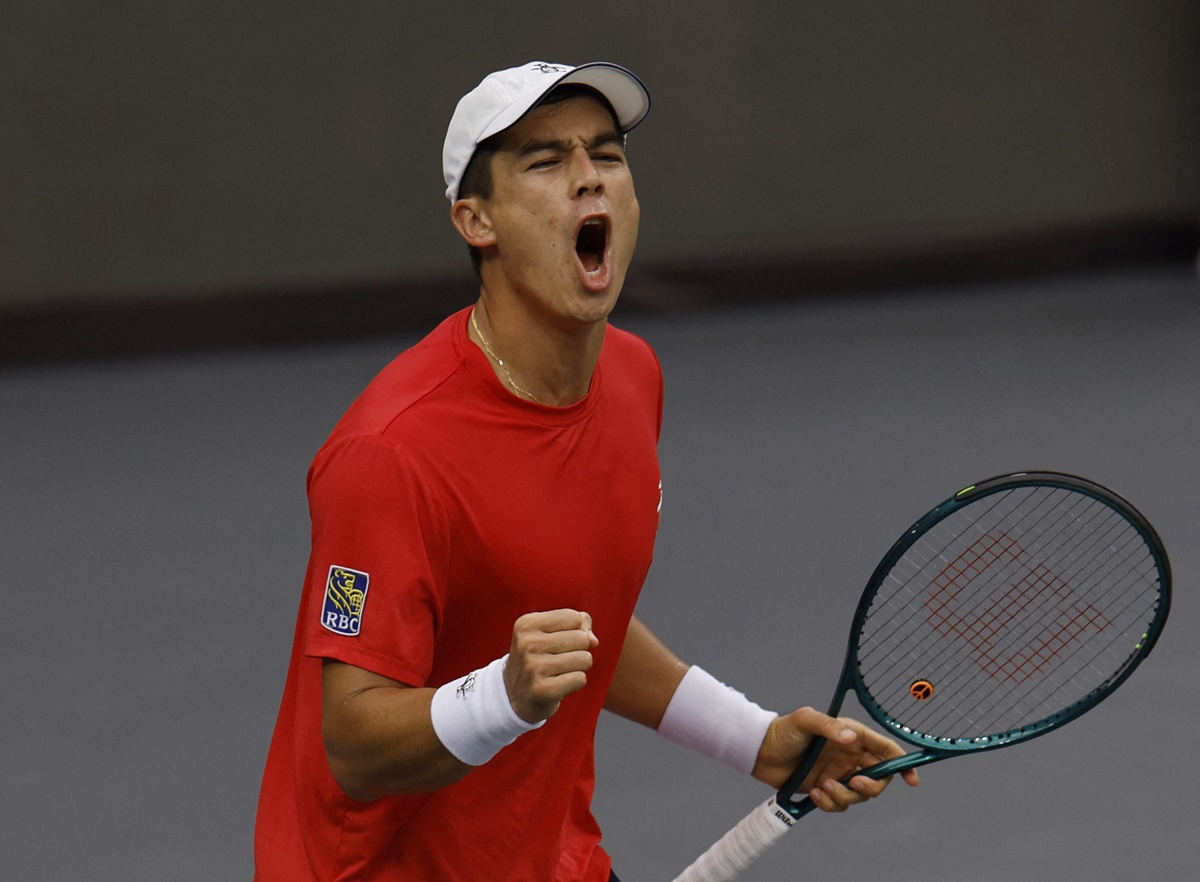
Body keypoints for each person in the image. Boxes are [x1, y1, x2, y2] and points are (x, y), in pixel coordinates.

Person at [253, 60, 918, 881]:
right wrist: (503, 697)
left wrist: (755, 740)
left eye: (605, 154)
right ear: (476, 219)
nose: (588, 181)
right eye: (545, 161)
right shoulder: (389, 456)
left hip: (551, 856)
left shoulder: (634, 380)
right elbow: (353, 746)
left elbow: (575, 619)